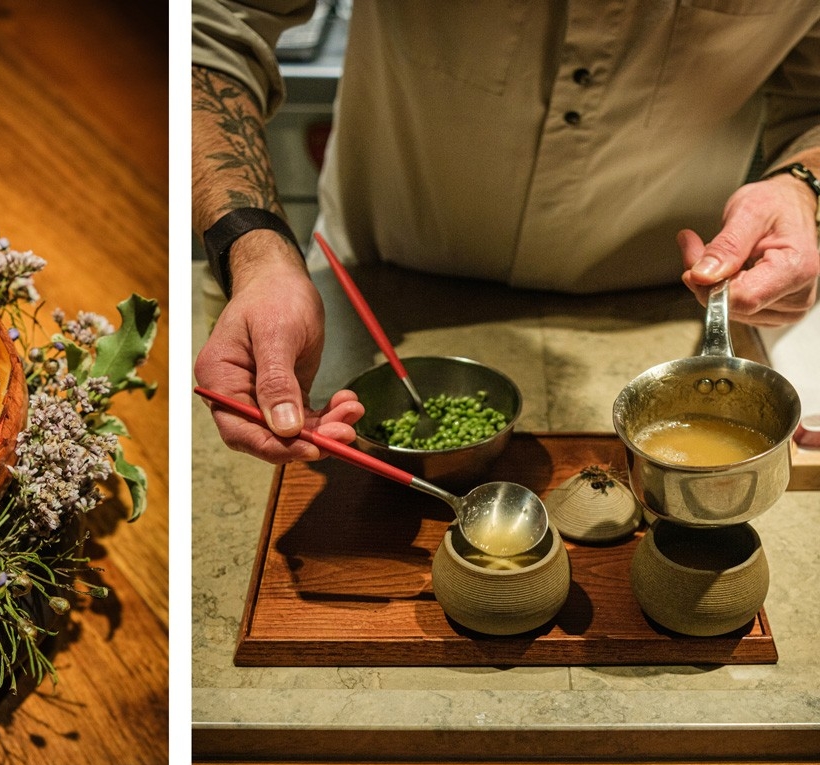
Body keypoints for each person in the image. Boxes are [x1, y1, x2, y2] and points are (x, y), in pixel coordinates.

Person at [193, 1, 820, 465]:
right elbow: (208, 27)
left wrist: (802, 186)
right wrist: (255, 251)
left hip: (660, 311)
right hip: (377, 285)